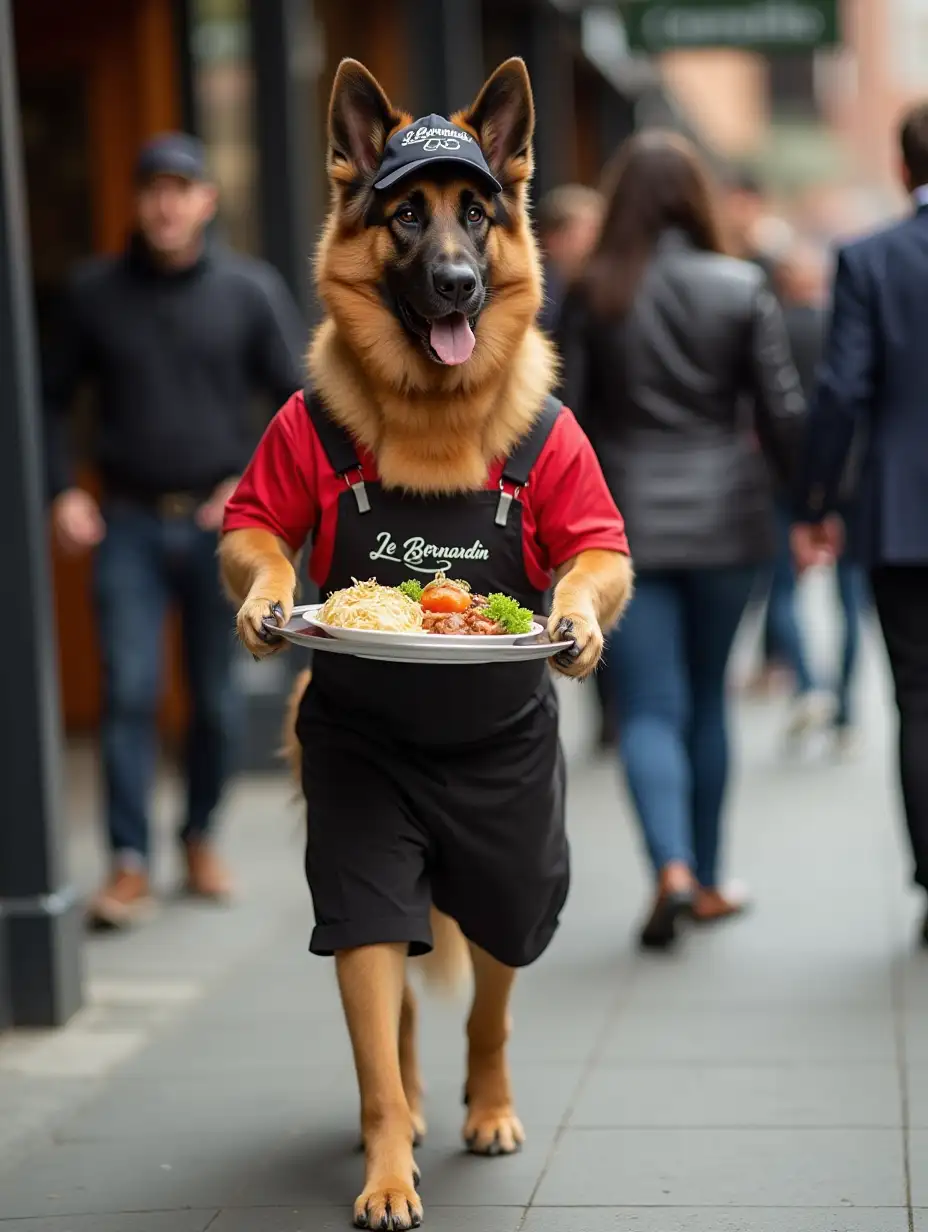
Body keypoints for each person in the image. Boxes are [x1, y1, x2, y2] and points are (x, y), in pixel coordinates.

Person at [44, 133, 306, 928]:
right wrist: (62, 491)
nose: (165, 203)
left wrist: (245, 484)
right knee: (128, 690)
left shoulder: (249, 291)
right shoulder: (93, 293)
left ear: (205, 202)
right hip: (123, 518)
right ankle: (128, 862)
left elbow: (299, 402)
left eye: (180, 189)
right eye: (152, 188)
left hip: (219, 527)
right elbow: (49, 400)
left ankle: (199, 836)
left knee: (216, 700)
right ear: (138, 201)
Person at [559, 131, 805, 949]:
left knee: (646, 710)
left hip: (621, 530)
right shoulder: (740, 287)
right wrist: (810, 508)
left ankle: (665, 866)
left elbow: (566, 426)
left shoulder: (594, 291)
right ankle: (704, 877)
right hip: (728, 525)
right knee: (708, 700)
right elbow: (780, 417)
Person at [793, 101, 928, 944]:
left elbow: (841, 390)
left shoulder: (872, 259)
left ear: (903, 166)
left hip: (904, 514)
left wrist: (814, 503)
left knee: (918, 698)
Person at [774, 242, 866, 752]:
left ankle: (809, 684)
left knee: (783, 591)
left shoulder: (776, 327)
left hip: (785, 478)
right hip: (850, 478)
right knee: (851, 602)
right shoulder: (841, 325)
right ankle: (846, 711)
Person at [536, 184, 603, 335]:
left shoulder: (589, 287)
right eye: (590, 230)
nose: (598, 240)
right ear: (554, 239)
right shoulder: (538, 299)